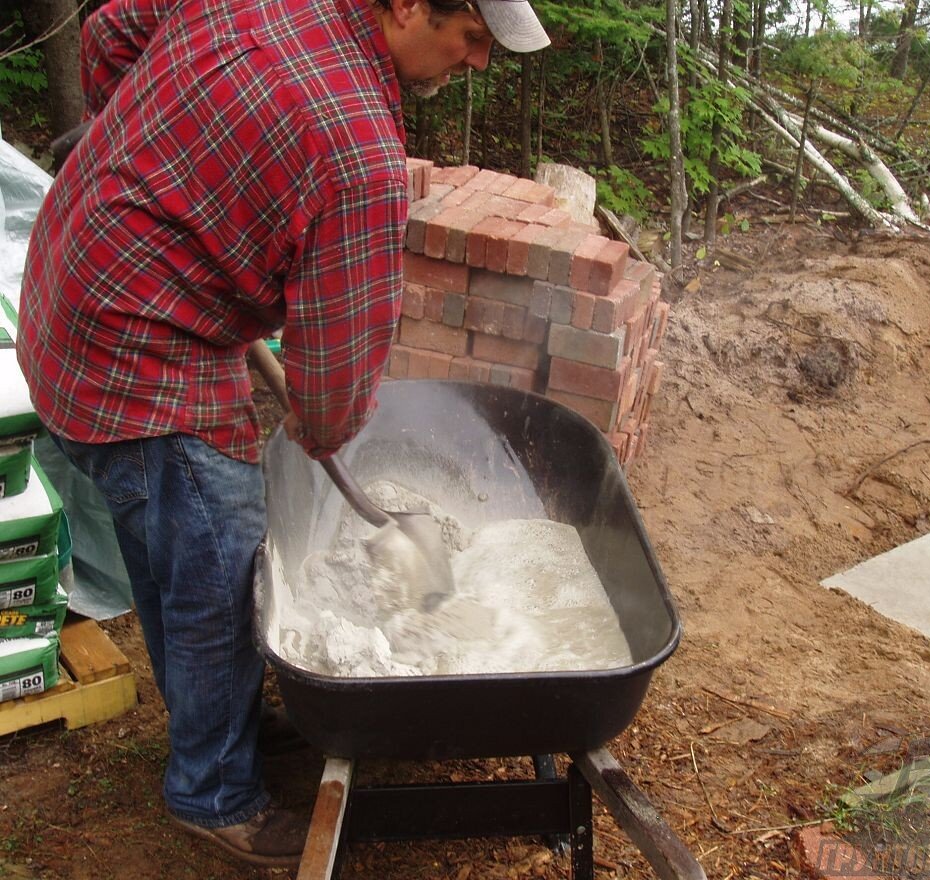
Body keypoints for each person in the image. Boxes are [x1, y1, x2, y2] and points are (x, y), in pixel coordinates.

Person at [16, 0, 548, 868]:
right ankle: (213, 792)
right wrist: (323, 425)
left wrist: (142, 153)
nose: (477, 63)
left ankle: (215, 716)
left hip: (69, 282)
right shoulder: (357, 152)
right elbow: (336, 367)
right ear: (410, 6)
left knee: (170, 553)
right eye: (473, 38)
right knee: (220, 569)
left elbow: (110, 27)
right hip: (138, 357)